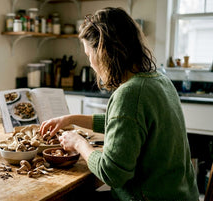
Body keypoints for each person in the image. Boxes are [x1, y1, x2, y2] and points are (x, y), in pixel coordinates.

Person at [40, 7, 199, 201]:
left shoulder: (130, 94)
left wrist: (78, 143)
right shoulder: (159, 79)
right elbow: (126, 124)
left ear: (103, 52)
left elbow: (111, 173)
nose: (90, 63)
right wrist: (70, 119)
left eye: (89, 54)